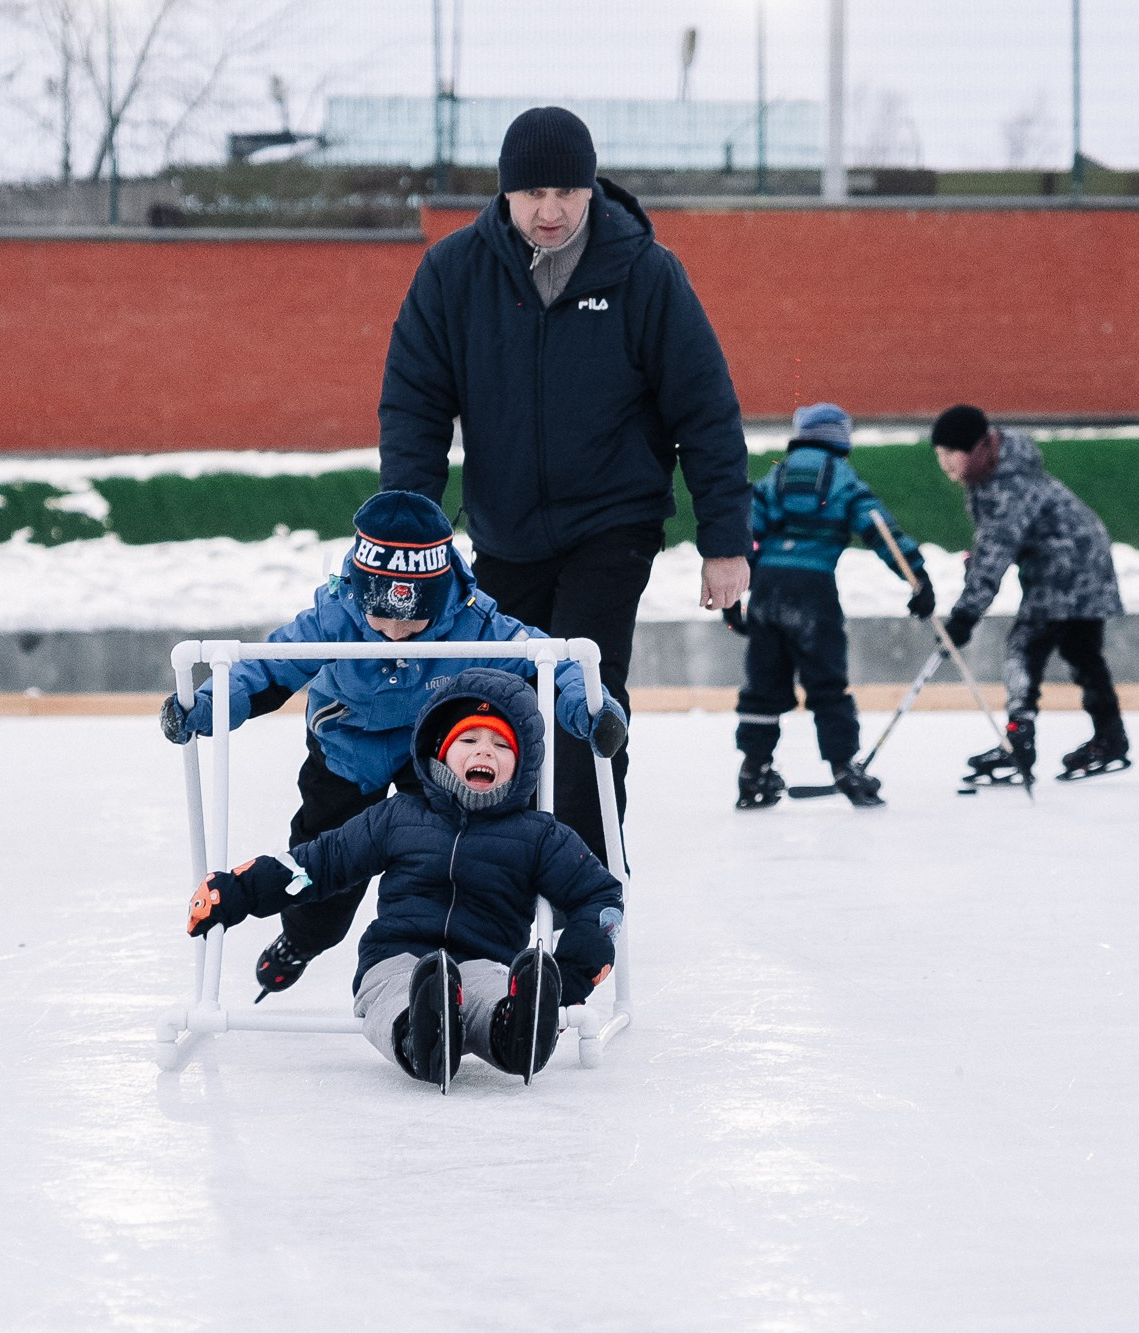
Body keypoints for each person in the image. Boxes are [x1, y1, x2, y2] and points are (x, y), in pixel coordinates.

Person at [378, 104, 753, 867]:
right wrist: (407, 546)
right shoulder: (454, 273)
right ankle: (500, 869)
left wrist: (724, 542)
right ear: (505, 193)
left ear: (591, 189)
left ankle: (587, 880)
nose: (549, 211)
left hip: (612, 524)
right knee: (497, 699)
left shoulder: (645, 273)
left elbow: (705, 408)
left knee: (582, 689)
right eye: (532, 194)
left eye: (566, 193)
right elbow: (414, 409)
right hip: (506, 529)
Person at [159, 489, 626, 1001]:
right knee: (325, 863)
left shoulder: (476, 622)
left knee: (436, 856)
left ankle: (448, 964)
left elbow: (553, 662)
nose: (396, 632)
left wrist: (590, 709)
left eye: (412, 621)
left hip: (430, 760)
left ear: (442, 597)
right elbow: (264, 669)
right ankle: (303, 939)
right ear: (358, 593)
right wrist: (206, 706)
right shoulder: (334, 617)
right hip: (344, 754)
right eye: (381, 618)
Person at [182, 669, 625, 1089]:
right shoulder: (398, 817)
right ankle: (420, 1034)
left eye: (501, 745)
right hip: (395, 956)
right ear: (440, 750)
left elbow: (600, 896)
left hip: (486, 960)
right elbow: (320, 863)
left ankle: (516, 1032)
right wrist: (237, 890)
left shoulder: (539, 835)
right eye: (468, 739)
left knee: (489, 994)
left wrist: (569, 979)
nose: (485, 752)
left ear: (523, 763)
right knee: (394, 992)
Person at [726, 403, 936, 810]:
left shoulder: (776, 477)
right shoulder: (842, 478)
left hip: (767, 589)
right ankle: (844, 768)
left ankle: (753, 770)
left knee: (763, 686)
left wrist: (733, 596)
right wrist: (917, 576)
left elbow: (746, 532)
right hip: (813, 590)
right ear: (840, 438)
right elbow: (879, 529)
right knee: (826, 683)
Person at [929, 404, 1130, 784]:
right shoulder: (996, 474)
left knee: (1024, 648)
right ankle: (1110, 737)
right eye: (940, 454)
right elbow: (992, 547)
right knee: (1081, 651)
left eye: (951, 452)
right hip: (1085, 559)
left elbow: (997, 550)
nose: (945, 463)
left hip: (1067, 564)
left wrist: (966, 615)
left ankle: (1019, 741)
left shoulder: (1008, 485)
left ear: (978, 449)